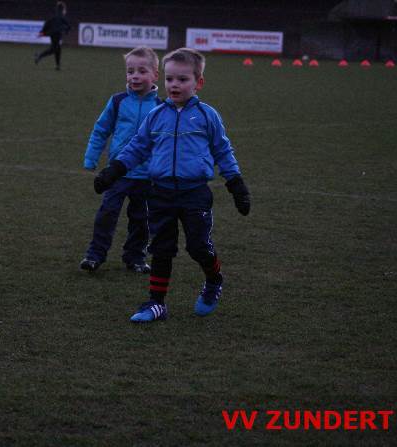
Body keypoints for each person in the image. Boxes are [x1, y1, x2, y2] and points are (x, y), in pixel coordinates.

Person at [93, 48, 251, 322]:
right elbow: (137, 147)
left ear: (198, 82)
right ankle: (156, 303)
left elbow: (222, 151)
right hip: (161, 193)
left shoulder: (207, 115)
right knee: (161, 248)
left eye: (182, 79)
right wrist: (114, 171)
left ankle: (214, 279)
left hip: (194, 194)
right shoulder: (156, 115)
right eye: (170, 79)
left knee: (198, 247)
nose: (174, 85)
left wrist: (236, 184)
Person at [80, 47, 163, 274]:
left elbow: (166, 143)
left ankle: (135, 258)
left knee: (142, 220)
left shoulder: (161, 107)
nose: (134, 76)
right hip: (118, 173)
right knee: (106, 214)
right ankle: (94, 255)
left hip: (147, 176)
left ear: (155, 75)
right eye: (130, 71)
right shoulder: (118, 101)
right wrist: (91, 158)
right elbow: (101, 130)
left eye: (142, 71)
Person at [34, 1, 70, 70]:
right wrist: (67, 31)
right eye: (65, 9)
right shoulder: (62, 17)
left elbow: (47, 23)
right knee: (53, 49)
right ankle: (39, 55)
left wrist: (42, 31)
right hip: (57, 34)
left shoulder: (54, 16)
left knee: (58, 49)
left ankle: (57, 66)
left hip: (52, 34)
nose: (65, 11)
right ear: (62, 9)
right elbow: (68, 25)